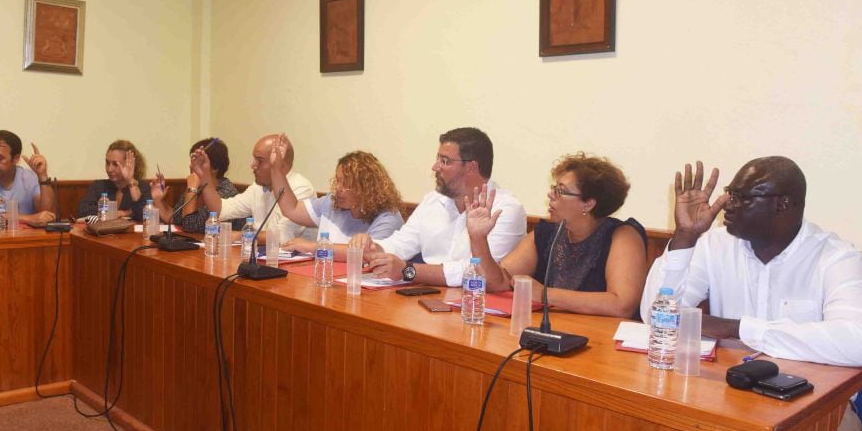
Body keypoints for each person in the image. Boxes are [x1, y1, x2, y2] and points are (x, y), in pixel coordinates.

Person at [641, 158, 862, 431]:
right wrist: (685, 237)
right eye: (730, 193)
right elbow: (653, 316)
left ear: (782, 204)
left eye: (741, 198)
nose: (727, 204)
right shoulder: (714, 245)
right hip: (729, 400)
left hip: (818, 409)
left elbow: (856, 343)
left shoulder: (837, 258)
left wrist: (738, 328)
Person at [465, 153, 647, 318]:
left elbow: (622, 305)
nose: (550, 195)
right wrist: (478, 238)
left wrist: (545, 294)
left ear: (588, 204)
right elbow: (498, 283)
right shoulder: (546, 234)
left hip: (599, 345)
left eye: (560, 191)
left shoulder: (623, 236)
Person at [353, 127, 526, 287]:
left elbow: (481, 273)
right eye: (438, 159)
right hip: (426, 297)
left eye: (445, 161)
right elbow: (402, 243)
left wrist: (409, 271)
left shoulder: (506, 209)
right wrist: (372, 248)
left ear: (471, 167)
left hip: (477, 305)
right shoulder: (433, 200)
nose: (435, 167)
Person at [268, 134, 404, 258]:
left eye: (346, 184)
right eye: (338, 180)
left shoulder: (389, 217)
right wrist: (276, 169)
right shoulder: (332, 202)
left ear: (366, 188)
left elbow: (365, 255)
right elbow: (292, 209)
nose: (338, 188)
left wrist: (312, 247)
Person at [190, 134, 316, 241]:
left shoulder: (301, 188)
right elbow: (220, 210)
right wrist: (205, 176)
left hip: (296, 265)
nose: (253, 165)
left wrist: (240, 235)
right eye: (254, 159)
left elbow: (282, 237)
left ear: (281, 164)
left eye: (260, 161)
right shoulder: (258, 187)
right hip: (261, 258)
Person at [0, 130, 57, 225]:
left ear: (16, 158)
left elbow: (48, 215)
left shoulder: (29, 177)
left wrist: (42, 175)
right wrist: (29, 219)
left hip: (24, 238)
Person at [161, 138, 245, 232]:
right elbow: (177, 218)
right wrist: (157, 200)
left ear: (215, 168)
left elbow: (190, 225)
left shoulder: (227, 192)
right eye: (192, 160)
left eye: (197, 161)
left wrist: (192, 188)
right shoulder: (198, 186)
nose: (191, 166)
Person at [76, 140, 152, 220]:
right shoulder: (99, 186)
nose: (110, 169)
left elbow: (144, 215)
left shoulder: (143, 187)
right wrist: (123, 212)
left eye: (115, 164)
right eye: (107, 163)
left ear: (129, 164)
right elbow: (83, 211)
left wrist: (130, 181)